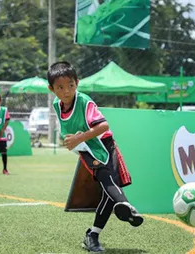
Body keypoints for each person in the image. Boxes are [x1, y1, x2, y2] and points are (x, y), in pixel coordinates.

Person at [47, 61, 143, 253]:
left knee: (109, 193)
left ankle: (93, 235)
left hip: (105, 145)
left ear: (77, 83)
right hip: (85, 148)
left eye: (70, 86)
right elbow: (66, 129)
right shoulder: (57, 105)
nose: (66, 91)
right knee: (103, 176)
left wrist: (79, 137)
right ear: (51, 89)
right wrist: (71, 140)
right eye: (60, 87)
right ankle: (125, 205)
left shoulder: (85, 102)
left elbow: (103, 126)